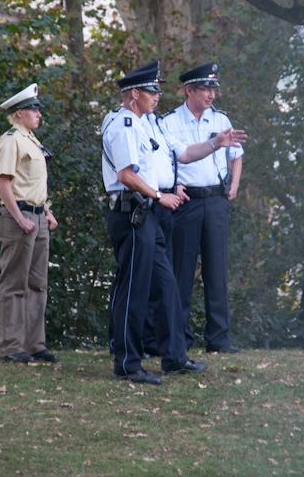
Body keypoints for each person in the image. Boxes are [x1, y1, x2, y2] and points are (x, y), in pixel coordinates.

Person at [102, 61, 211, 384]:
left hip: (149, 210)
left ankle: (174, 358)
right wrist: (159, 195)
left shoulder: (146, 123)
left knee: (166, 286)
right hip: (133, 211)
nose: (158, 96)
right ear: (134, 94)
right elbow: (126, 175)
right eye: (152, 91)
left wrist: (165, 190)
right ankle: (127, 364)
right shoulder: (124, 123)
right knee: (133, 290)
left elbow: (160, 163)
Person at [141, 86, 247, 357]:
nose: (211, 96)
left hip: (215, 200)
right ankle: (178, 338)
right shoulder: (169, 121)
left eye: (214, 90)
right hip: (185, 202)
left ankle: (219, 339)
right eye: (205, 90)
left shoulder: (221, 119)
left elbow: (236, 156)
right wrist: (172, 186)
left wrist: (234, 184)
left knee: (217, 270)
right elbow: (163, 160)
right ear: (189, 90)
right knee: (180, 272)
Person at [0, 83, 59, 365]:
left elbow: (32, 183)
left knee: (37, 284)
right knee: (14, 283)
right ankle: (11, 346)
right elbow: (3, 183)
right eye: (34, 109)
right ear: (19, 113)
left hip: (37, 217)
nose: (39, 114)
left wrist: (46, 211)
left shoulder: (31, 139)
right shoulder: (10, 140)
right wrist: (20, 218)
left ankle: (34, 345)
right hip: (18, 217)